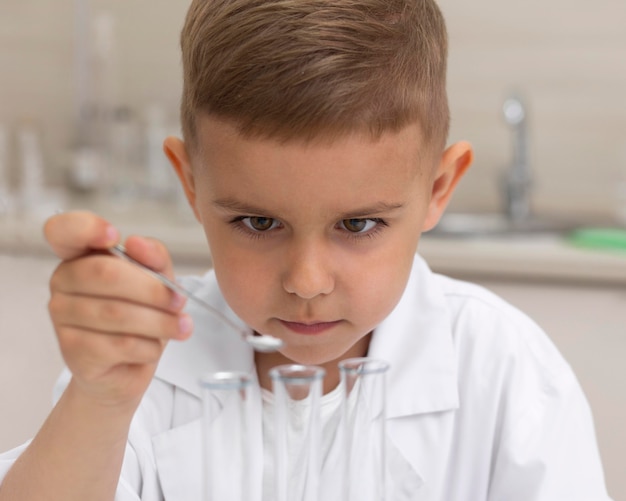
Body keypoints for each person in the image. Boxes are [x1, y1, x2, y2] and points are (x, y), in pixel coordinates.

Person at [0, 0, 612, 499]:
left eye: (360, 225)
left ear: (437, 189)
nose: (308, 281)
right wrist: (100, 401)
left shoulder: (504, 370)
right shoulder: (142, 364)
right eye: (259, 221)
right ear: (190, 184)